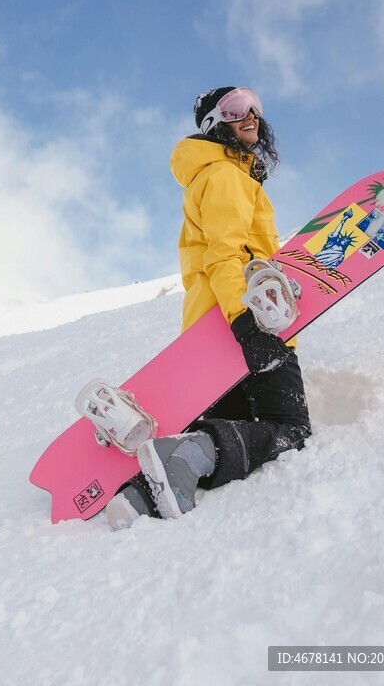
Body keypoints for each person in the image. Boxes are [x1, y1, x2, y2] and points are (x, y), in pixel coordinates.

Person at [106, 86, 311, 529]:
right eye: (236, 109)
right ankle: (185, 455)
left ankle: (138, 498)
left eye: (254, 104)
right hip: (244, 321)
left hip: (208, 336)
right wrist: (249, 326)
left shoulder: (212, 175)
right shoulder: (224, 176)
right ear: (214, 125)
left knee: (223, 434)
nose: (251, 114)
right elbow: (225, 255)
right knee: (289, 429)